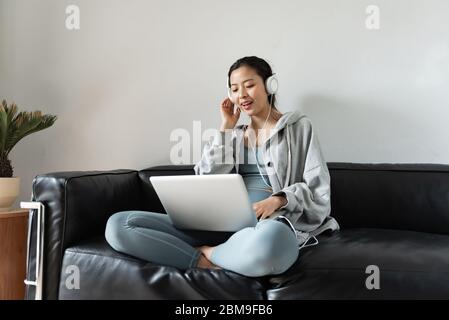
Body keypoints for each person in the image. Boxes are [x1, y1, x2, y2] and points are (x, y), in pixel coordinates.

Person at [105, 56, 339, 277]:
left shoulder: (299, 128)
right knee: (119, 225)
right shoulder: (233, 136)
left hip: (265, 227)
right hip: (216, 224)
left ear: (270, 85)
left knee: (274, 243)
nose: (242, 95)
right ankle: (202, 262)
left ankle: (212, 252)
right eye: (235, 89)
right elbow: (205, 179)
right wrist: (226, 128)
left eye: (249, 85)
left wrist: (279, 199)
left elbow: (319, 192)